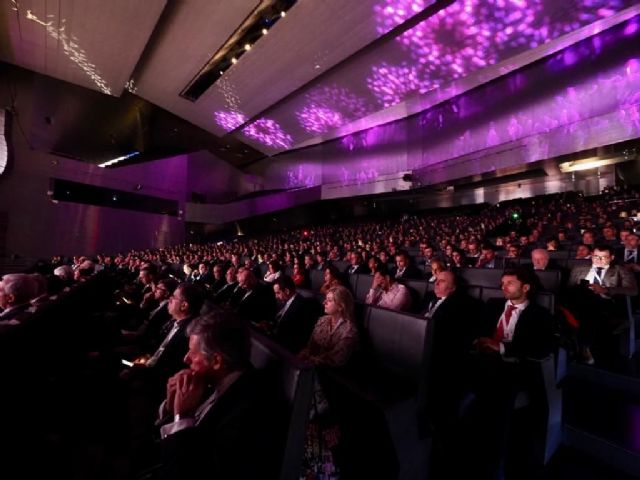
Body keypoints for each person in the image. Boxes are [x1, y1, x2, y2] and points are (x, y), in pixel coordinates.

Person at [156, 310, 284, 479]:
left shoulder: (251, 408)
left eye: (193, 354)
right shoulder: (210, 381)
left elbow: (190, 472)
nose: (186, 359)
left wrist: (183, 416)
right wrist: (172, 406)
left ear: (217, 361)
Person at [565, 244, 638, 364]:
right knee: (582, 299)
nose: (598, 260)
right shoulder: (578, 268)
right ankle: (581, 347)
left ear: (611, 257)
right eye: (596, 257)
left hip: (607, 304)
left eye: (603, 257)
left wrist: (606, 290)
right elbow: (570, 288)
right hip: (579, 302)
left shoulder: (621, 270)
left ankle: (582, 347)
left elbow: (633, 290)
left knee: (590, 304)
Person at [299, 286, 358, 367]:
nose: (324, 302)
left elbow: (336, 360)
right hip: (312, 366)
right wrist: (303, 355)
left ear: (340, 306)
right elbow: (310, 346)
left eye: (329, 300)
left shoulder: (349, 330)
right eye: (326, 299)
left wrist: (310, 361)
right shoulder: (322, 320)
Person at [272, 276, 320, 353]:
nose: (276, 296)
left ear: (287, 291)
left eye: (278, 293)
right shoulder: (284, 301)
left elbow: (294, 336)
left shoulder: (301, 306)